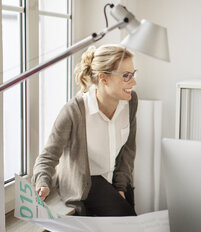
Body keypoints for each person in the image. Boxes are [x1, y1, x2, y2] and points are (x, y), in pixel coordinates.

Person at [32, 44, 138, 216]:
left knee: (132, 229)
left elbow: (128, 151)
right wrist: (42, 183)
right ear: (103, 79)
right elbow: (47, 156)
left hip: (113, 181)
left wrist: (120, 187)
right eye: (126, 76)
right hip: (86, 183)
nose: (133, 82)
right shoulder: (74, 111)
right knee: (130, 227)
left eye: (133, 74)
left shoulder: (130, 102)